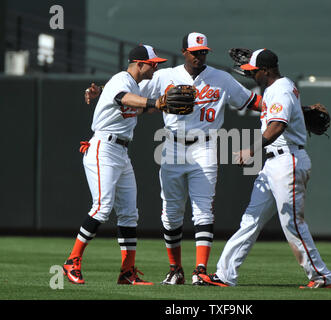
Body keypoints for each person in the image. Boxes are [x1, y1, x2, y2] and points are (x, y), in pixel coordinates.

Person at [85, 32, 262, 285]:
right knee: (170, 213)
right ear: (184, 53)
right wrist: (100, 91)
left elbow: (252, 100)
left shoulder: (221, 78)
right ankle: (175, 269)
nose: (200, 56)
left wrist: (290, 110)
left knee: (203, 210)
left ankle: (200, 270)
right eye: (195, 52)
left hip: (205, 147)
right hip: (172, 145)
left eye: (203, 52)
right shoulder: (165, 76)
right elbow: (128, 91)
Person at [198, 48, 331, 288]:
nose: (251, 75)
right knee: (250, 220)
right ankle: (225, 275)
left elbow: (277, 126)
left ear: (267, 70)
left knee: (292, 222)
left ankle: (322, 276)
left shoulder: (280, 89)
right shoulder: (280, 87)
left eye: (255, 71)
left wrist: (251, 149)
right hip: (274, 163)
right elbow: (283, 115)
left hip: (287, 161)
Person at [62, 44, 168, 285]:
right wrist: (154, 103)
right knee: (102, 207)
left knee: (130, 213)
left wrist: (152, 105)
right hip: (104, 148)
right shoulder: (122, 80)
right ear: (140, 64)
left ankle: (127, 272)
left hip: (121, 151)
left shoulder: (133, 83)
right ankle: (72, 261)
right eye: (153, 64)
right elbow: (122, 97)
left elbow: (130, 103)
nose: (156, 67)